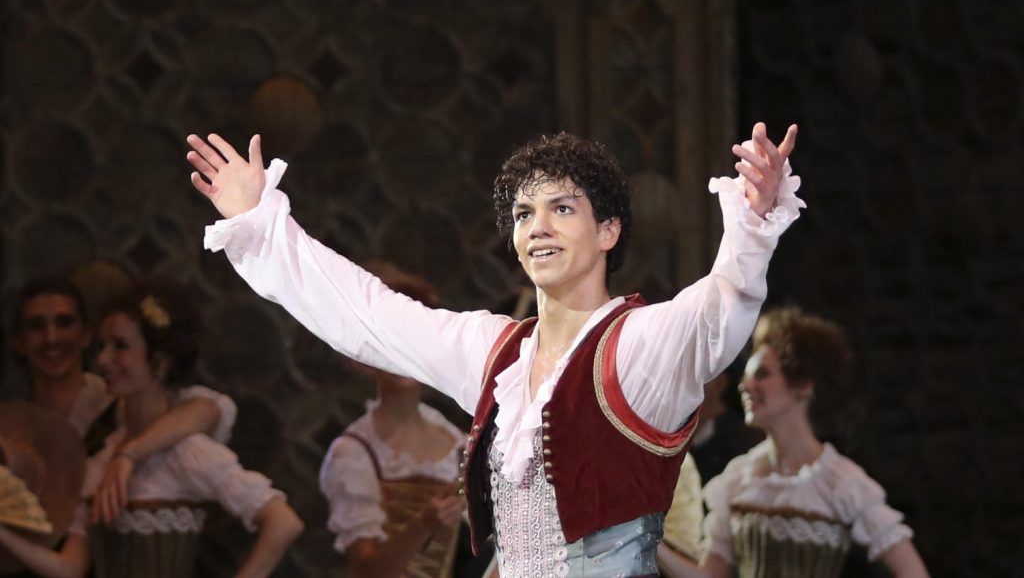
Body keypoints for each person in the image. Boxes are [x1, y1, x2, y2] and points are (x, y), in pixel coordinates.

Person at [186, 122, 802, 576]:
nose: (539, 227)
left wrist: (752, 227)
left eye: (563, 208)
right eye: (524, 213)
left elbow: (722, 307)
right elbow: (368, 315)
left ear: (608, 230)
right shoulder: (495, 352)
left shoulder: (640, 345)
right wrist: (262, 224)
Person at [0, 281, 304, 578]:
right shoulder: (101, 460)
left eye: (120, 346)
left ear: (160, 362)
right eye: (103, 346)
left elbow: (283, 522)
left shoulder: (188, 453)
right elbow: (70, 568)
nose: (103, 359)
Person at [660, 308, 930, 578]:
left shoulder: (839, 482)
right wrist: (649, 541)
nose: (746, 385)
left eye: (762, 374)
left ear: (803, 385)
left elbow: (913, 572)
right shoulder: (739, 478)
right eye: (747, 375)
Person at [10, 276, 236, 526]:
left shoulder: (116, 401)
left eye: (65, 323)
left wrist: (128, 454)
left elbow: (207, 410)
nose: (51, 338)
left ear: (86, 334)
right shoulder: (14, 423)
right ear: (18, 342)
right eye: (36, 326)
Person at [319, 265, 478, 577]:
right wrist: (423, 525)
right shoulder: (354, 453)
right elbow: (367, 572)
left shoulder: (458, 443)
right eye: (386, 343)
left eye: (411, 340)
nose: (401, 355)